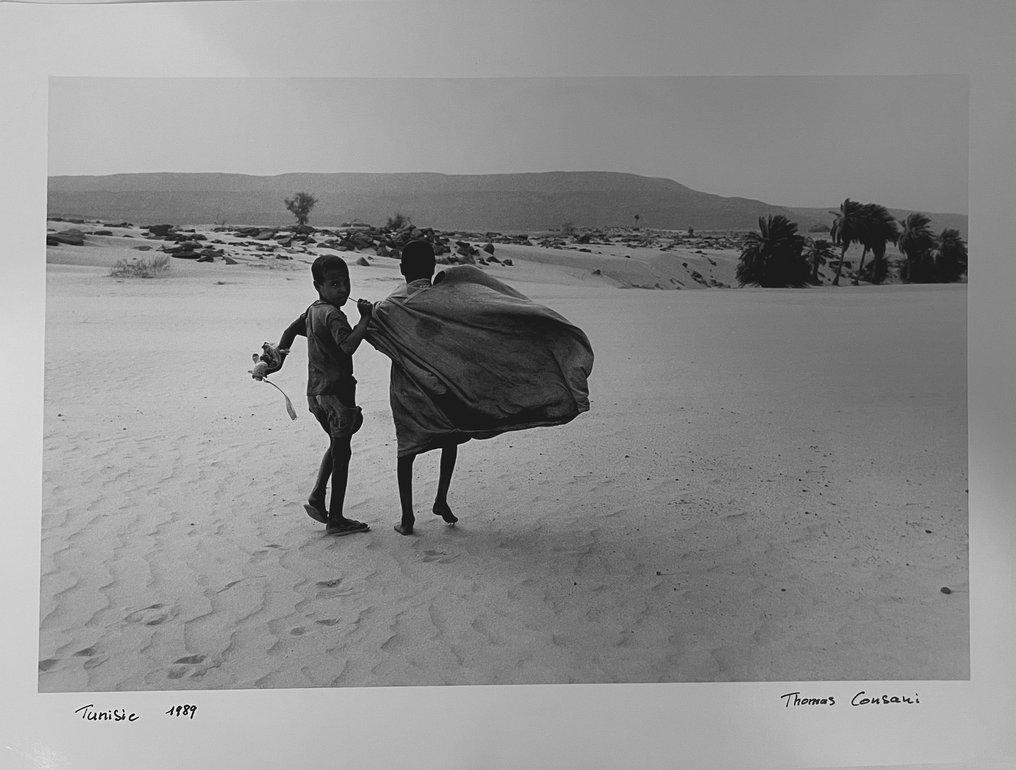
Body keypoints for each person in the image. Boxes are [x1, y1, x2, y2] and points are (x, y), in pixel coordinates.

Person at [365, 240, 594, 536]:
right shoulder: (447, 297)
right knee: (451, 437)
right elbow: (483, 314)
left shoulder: (388, 307)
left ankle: (407, 518)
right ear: (433, 268)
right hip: (446, 386)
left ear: (400, 269)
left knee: (407, 450)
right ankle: (440, 500)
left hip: (408, 390)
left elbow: (368, 333)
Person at [271, 255, 372, 536]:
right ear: (319, 286)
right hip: (337, 395)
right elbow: (348, 346)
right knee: (342, 454)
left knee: (338, 446)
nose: (342, 289)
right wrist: (365, 319)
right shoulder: (333, 314)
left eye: (345, 283)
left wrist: (278, 357)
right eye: (334, 284)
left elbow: (291, 330)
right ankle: (336, 518)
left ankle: (317, 497)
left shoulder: (313, 310)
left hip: (315, 395)